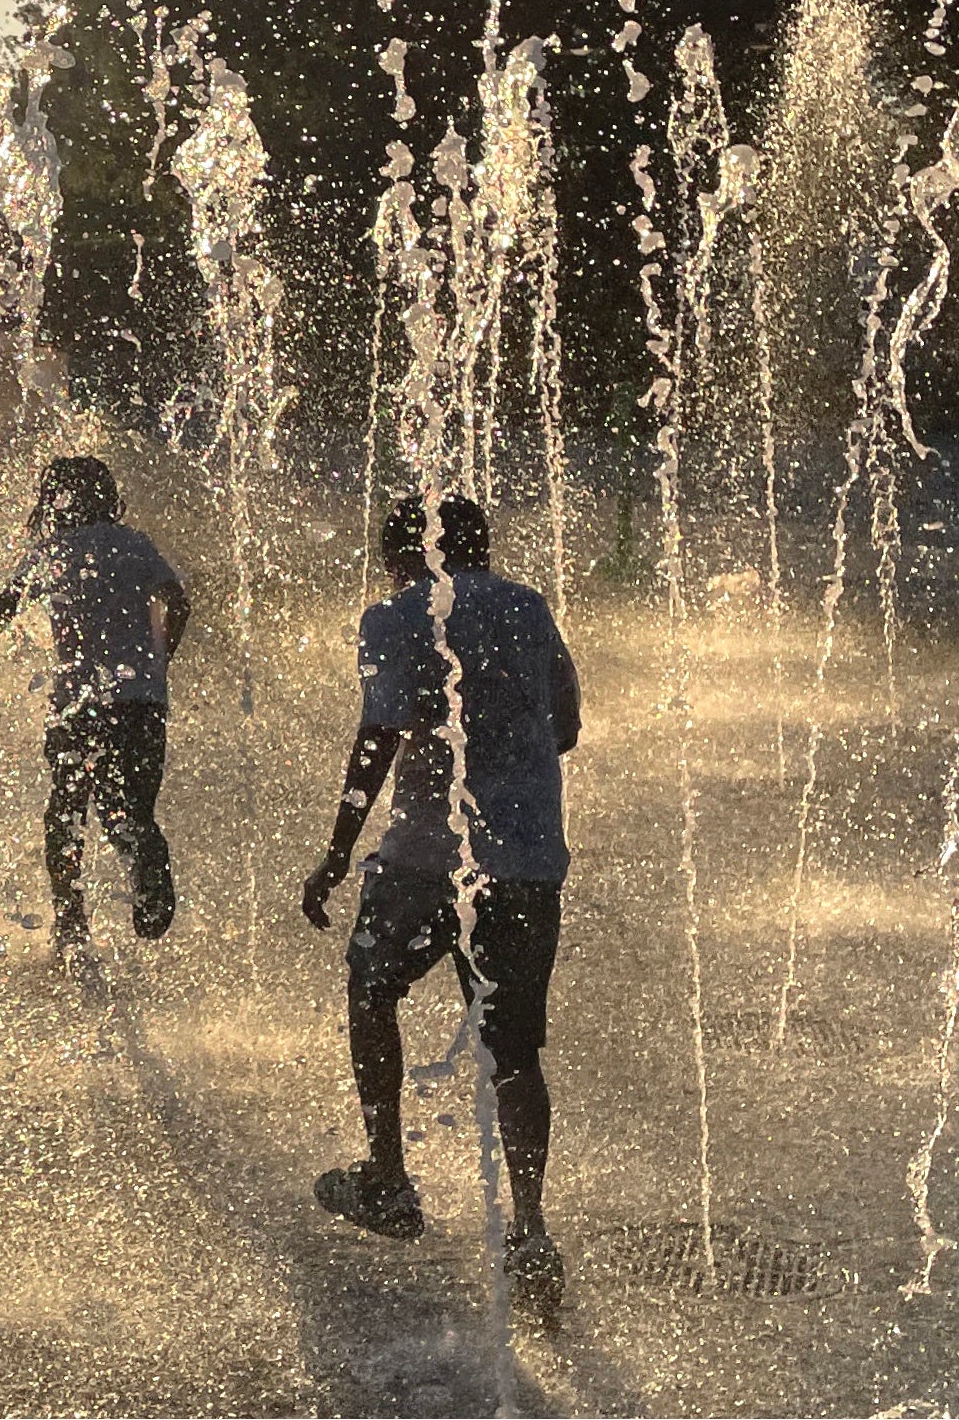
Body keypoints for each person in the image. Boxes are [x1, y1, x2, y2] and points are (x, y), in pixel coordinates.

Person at [299, 494, 580, 1316]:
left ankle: (388, 1174)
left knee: (371, 988)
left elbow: (377, 740)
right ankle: (529, 1231)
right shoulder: (528, 607)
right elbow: (565, 726)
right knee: (517, 1052)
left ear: (400, 557)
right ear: (482, 549)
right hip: (528, 863)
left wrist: (338, 854)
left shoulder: (392, 616)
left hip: (427, 859)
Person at [0, 456, 192, 949]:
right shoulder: (134, 544)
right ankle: (149, 871)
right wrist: (159, 664)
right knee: (130, 812)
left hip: (79, 707)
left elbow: (1, 612)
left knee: (66, 810)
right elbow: (177, 601)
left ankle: (72, 920)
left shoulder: (52, 552)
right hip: (141, 702)